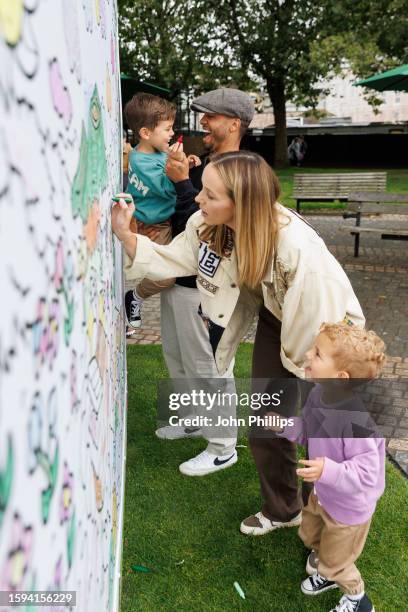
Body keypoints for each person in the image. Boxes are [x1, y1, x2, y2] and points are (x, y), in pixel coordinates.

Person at [111, 151, 365, 516]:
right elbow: (174, 258)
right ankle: (283, 510)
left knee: (324, 432)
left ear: (242, 203)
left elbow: (315, 324)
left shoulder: (298, 251)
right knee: (266, 420)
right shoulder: (208, 223)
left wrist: (307, 379)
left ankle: (329, 529)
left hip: (329, 335)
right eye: (203, 190)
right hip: (278, 318)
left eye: (210, 195)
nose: (198, 198)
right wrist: (124, 233)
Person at [156, 88, 255, 476]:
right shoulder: (209, 164)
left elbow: (199, 229)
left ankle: (222, 446)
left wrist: (183, 183)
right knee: (178, 358)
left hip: (210, 291)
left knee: (211, 367)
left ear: (234, 123)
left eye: (210, 116)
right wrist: (182, 174)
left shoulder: (244, 170)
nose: (202, 123)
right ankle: (193, 418)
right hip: (180, 282)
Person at [271, 322, 386, 612]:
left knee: (337, 561)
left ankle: (357, 598)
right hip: (323, 495)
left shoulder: (357, 420)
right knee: (310, 536)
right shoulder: (318, 397)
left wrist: (328, 471)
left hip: (348, 509)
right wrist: (286, 426)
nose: (308, 354)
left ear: (340, 377)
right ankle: (327, 573)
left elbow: (367, 473)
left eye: (318, 353)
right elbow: (310, 431)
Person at [123, 93, 178, 330]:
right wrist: (180, 169)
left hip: (152, 221)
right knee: (167, 278)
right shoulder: (146, 165)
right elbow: (170, 189)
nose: (172, 133)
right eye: (167, 129)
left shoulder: (147, 153)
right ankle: (134, 297)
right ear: (146, 133)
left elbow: (167, 165)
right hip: (153, 226)